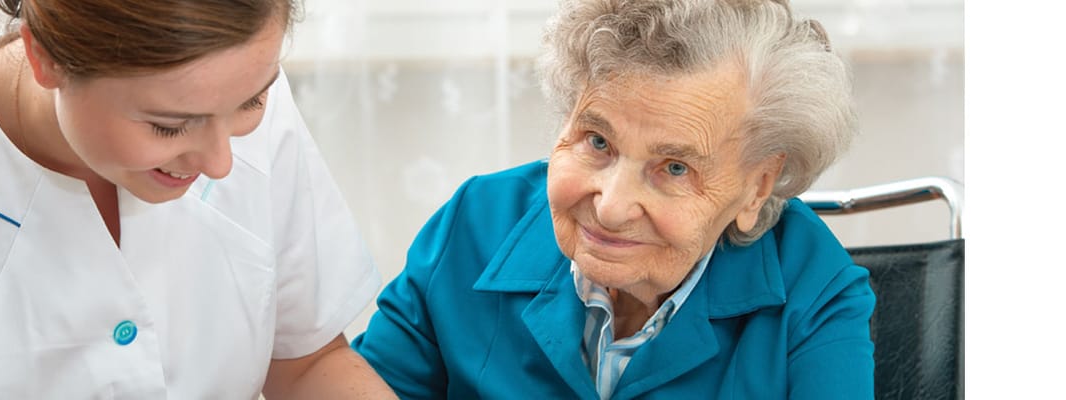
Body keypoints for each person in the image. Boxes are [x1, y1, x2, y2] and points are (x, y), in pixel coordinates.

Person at [0, 0, 396, 398]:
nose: (220, 162)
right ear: (45, 57)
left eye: (252, 101)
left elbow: (305, 364)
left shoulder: (221, 86)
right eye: (169, 127)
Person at [351, 0, 875, 398]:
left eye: (673, 168)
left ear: (757, 186)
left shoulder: (814, 287)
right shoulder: (475, 226)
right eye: (598, 141)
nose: (610, 206)